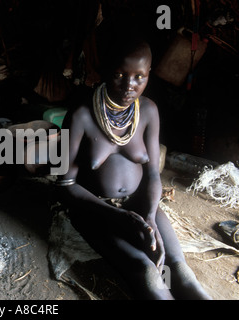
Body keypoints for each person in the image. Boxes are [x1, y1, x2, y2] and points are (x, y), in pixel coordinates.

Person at [55, 33, 212, 300]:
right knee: (146, 270)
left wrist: (149, 215)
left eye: (139, 76)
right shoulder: (81, 115)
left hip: (141, 205)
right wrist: (118, 217)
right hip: (97, 211)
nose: (129, 85)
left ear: (149, 73)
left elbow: (152, 173)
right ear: (104, 71)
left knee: (178, 269)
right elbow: (65, 185)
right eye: (119, 74)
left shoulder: (148, 111)